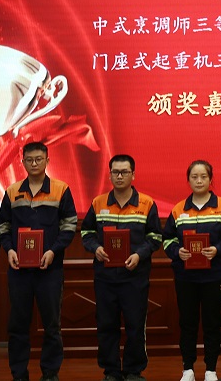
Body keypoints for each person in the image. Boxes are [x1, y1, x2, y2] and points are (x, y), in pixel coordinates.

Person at [0, 141, 78, 381]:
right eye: (29, 160)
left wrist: (53, 251)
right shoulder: (12, 191)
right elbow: (3, 225)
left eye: (39, 159)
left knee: (51, 325)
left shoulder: (61, 189)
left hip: (49, 269)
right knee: (18, 325)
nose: (34, 163)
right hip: (19, 270)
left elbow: (69, 225)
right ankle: (19, 373)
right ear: (22, 162)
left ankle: (50, 373)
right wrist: (9, 250)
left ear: (47, 161)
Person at [80, 154, 163, 381]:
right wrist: (96, 248)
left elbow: (155, 237)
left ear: (133, 175)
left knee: (135, 325)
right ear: (109, 175)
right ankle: (111, 371)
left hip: (135, 276)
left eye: (124, 172)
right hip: (105, 277)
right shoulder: (98, 203)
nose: (119, 176)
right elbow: (86, 233)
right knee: (107, 325)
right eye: (115, 172)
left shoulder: (146, 203)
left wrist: (139, 255)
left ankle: (134, 370)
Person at [163, 160, 221, 381]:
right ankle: (188, 369)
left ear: (210, 179)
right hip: (185, 276)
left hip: (214, 276)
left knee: (212, 322)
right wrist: (177, 251)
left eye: (203, 177)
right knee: (187, 322)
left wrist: (218, 249)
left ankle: (211, 370)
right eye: (194, 177)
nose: (199, 181)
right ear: (188, 180)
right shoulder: (178, 209)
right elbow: (167, 239)